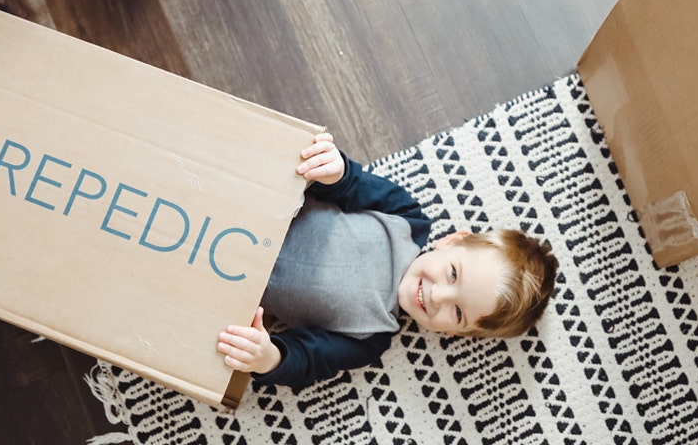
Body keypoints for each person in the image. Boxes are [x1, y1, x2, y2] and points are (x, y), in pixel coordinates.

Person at [216, 133, 559, 389]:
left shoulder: (369, 338)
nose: (438, 296)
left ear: (456, 333)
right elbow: (349, 185)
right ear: (452, 241)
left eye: (457, 312)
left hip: (225, 276)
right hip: (250, 205)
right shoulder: (406, 218)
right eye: (453, 274)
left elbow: (309, 359)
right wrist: (335, 170)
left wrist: (267, 357)